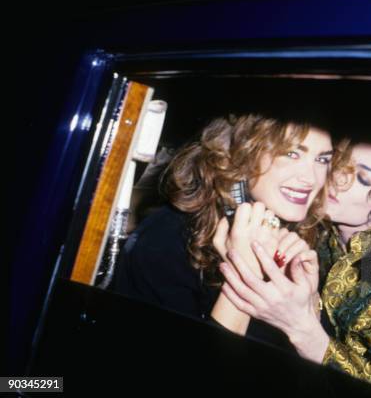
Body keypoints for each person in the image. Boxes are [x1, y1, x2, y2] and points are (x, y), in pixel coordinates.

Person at [219, 139, 371, 397]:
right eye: (337, 162)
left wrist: (300, 326)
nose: (337, 179)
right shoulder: (308, 222)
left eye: (362, 178)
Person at [113, 113, 333, 350]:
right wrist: (247, 272)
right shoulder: (164, 240)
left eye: (322, 160)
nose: (311, 179)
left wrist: (308, 304)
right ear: (240, 155)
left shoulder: (367, 243)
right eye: (291, 154)